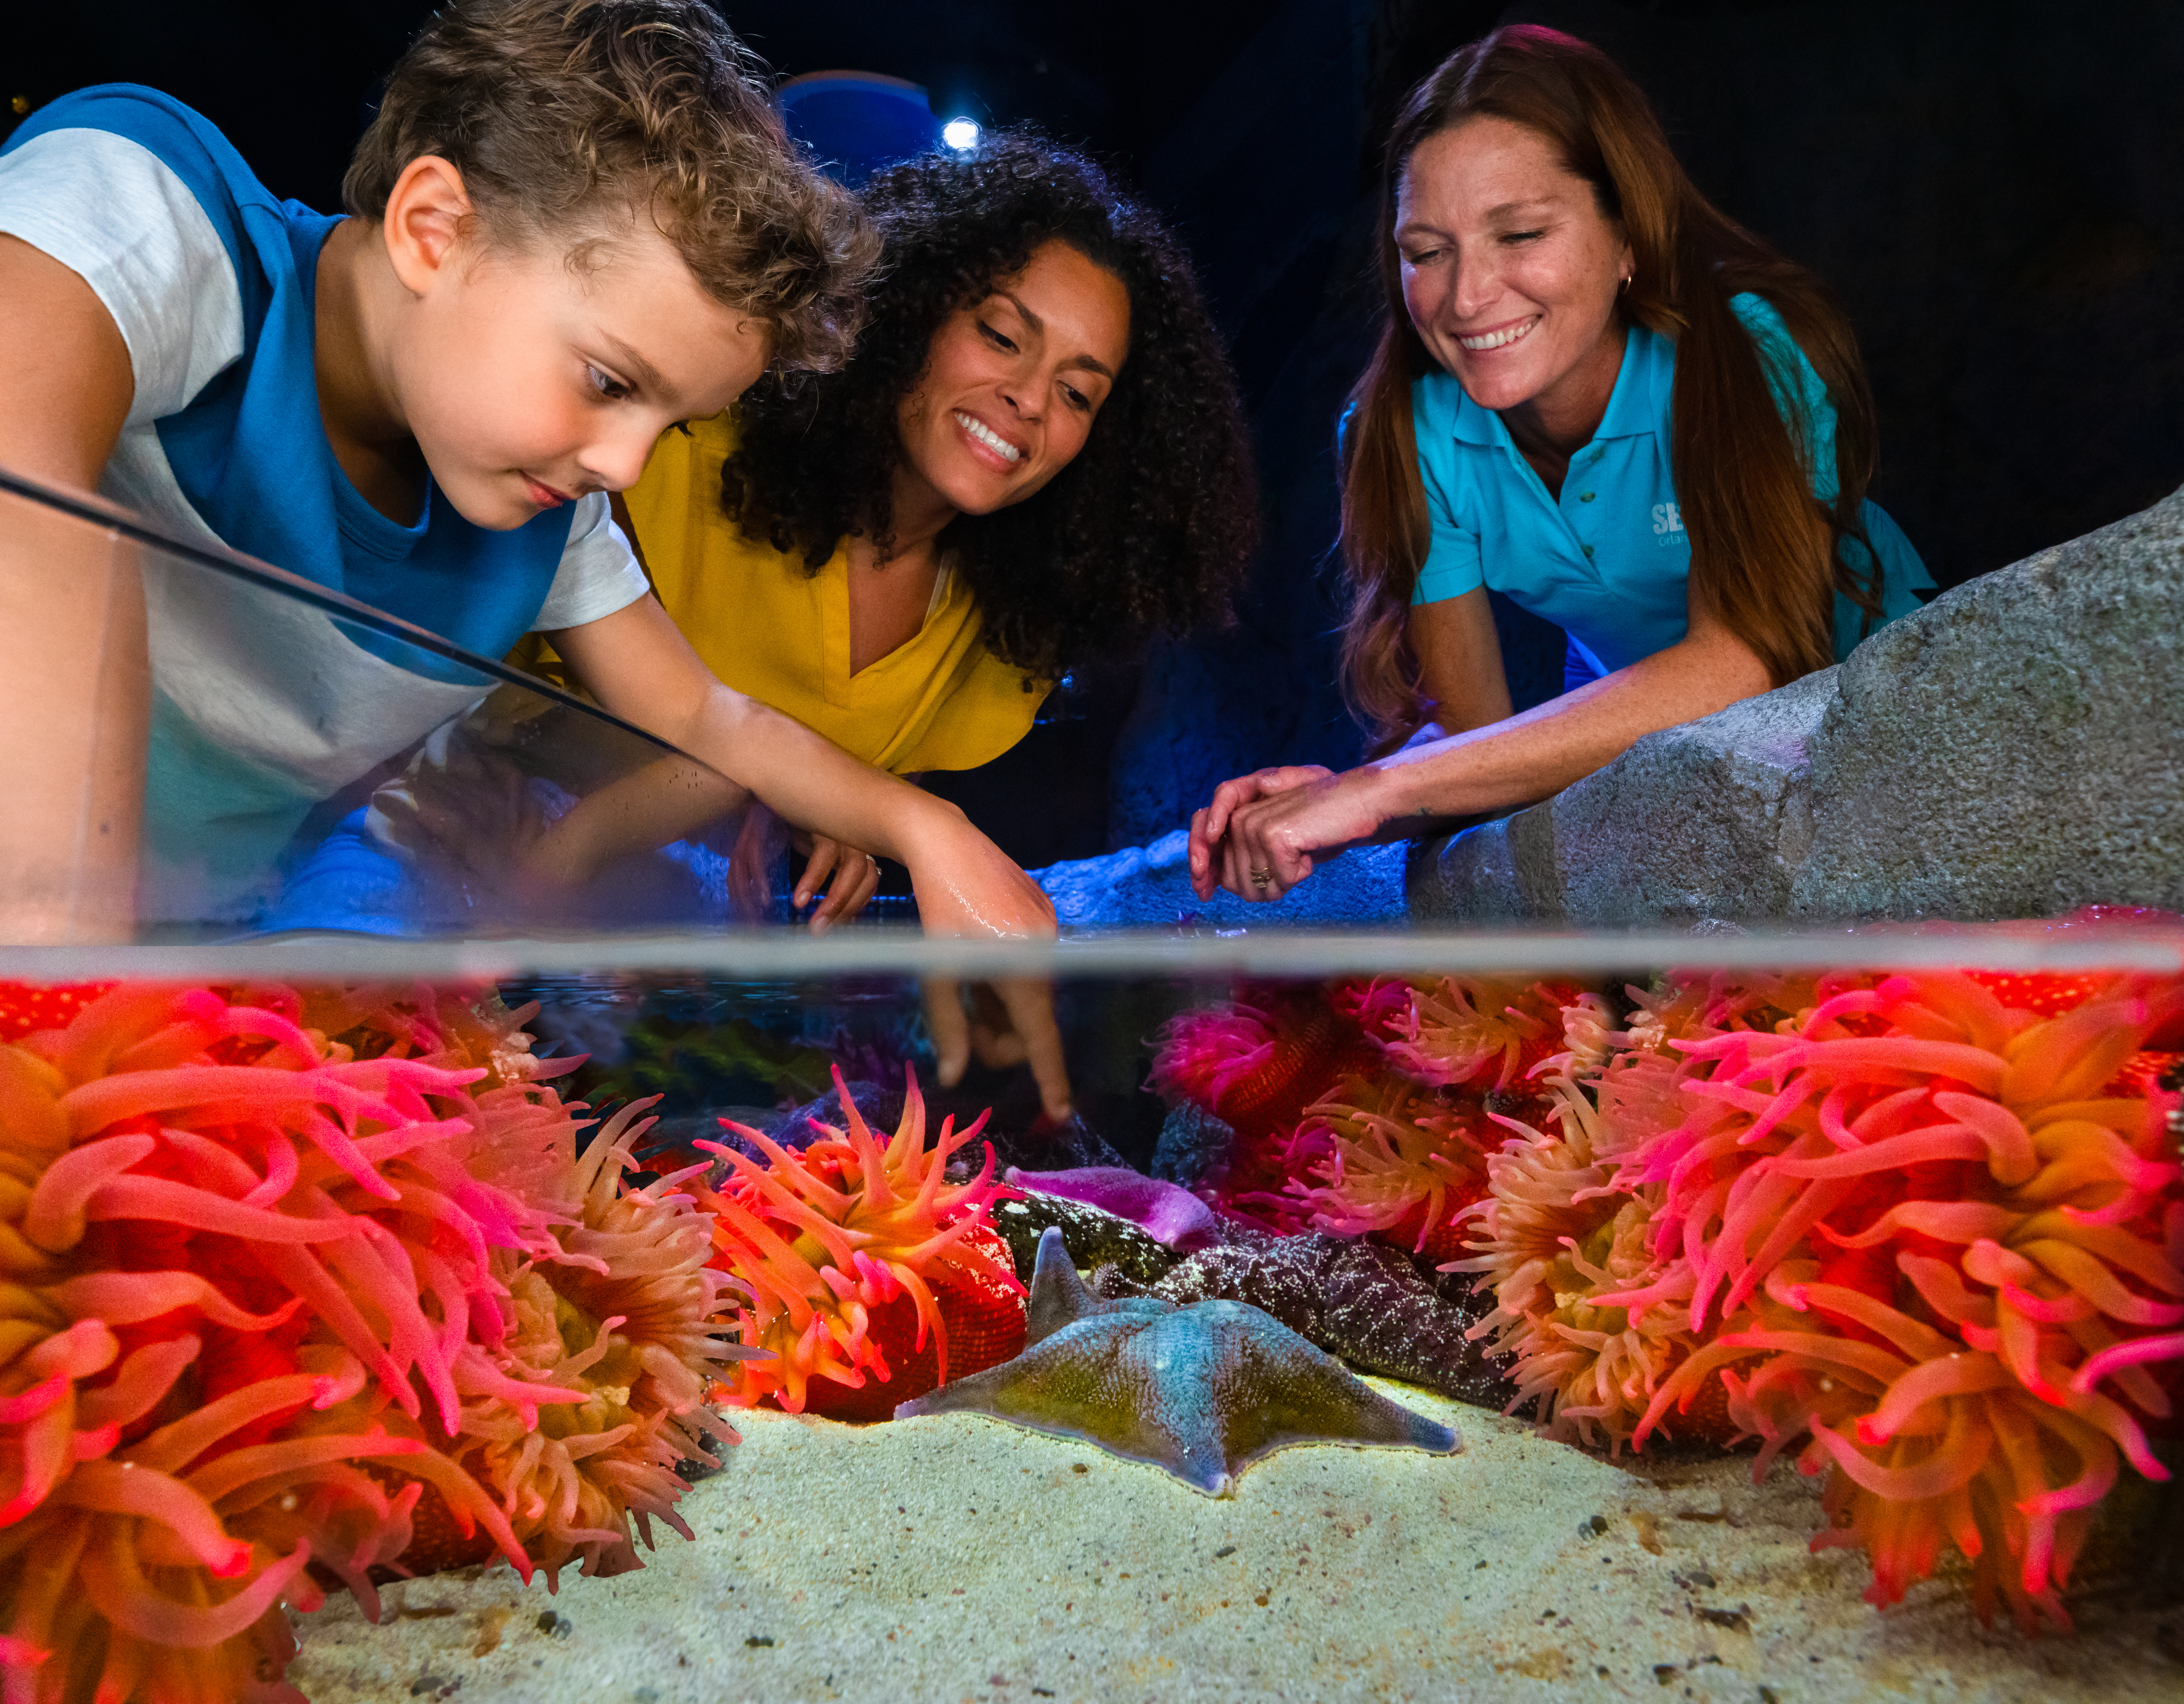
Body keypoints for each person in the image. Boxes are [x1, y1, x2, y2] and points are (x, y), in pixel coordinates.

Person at [0, 0, 1071, 1116]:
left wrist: (927, 828)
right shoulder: (143, 202)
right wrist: (60, 1031)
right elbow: (27, 499)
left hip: (194, 997)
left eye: (672, 423)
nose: (624, 463)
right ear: (433, 227)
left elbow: (710, 722)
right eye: (611, 381)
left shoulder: (546, 513)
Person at [1188, 24, 1932, 904]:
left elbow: (1745, 662)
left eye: (1520, 234)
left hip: (1877, 697)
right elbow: (1475, 734)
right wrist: (1333, 801)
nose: (1466, 298)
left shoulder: (1743, 354)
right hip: (1645, 739)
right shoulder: (1404, 427)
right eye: (1426, 251)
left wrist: (1381, 789)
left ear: (1627, 238)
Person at [527, 132, 1257, 923]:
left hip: (642, 948)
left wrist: (818, 814)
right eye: (1002, 338)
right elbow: (666, 731)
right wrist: (836, 804)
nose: (1030, 400)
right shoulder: (669, 447)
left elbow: (755, 783)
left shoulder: (1002, 649)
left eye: (1077, 395)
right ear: (910, 310)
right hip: (458, 855)